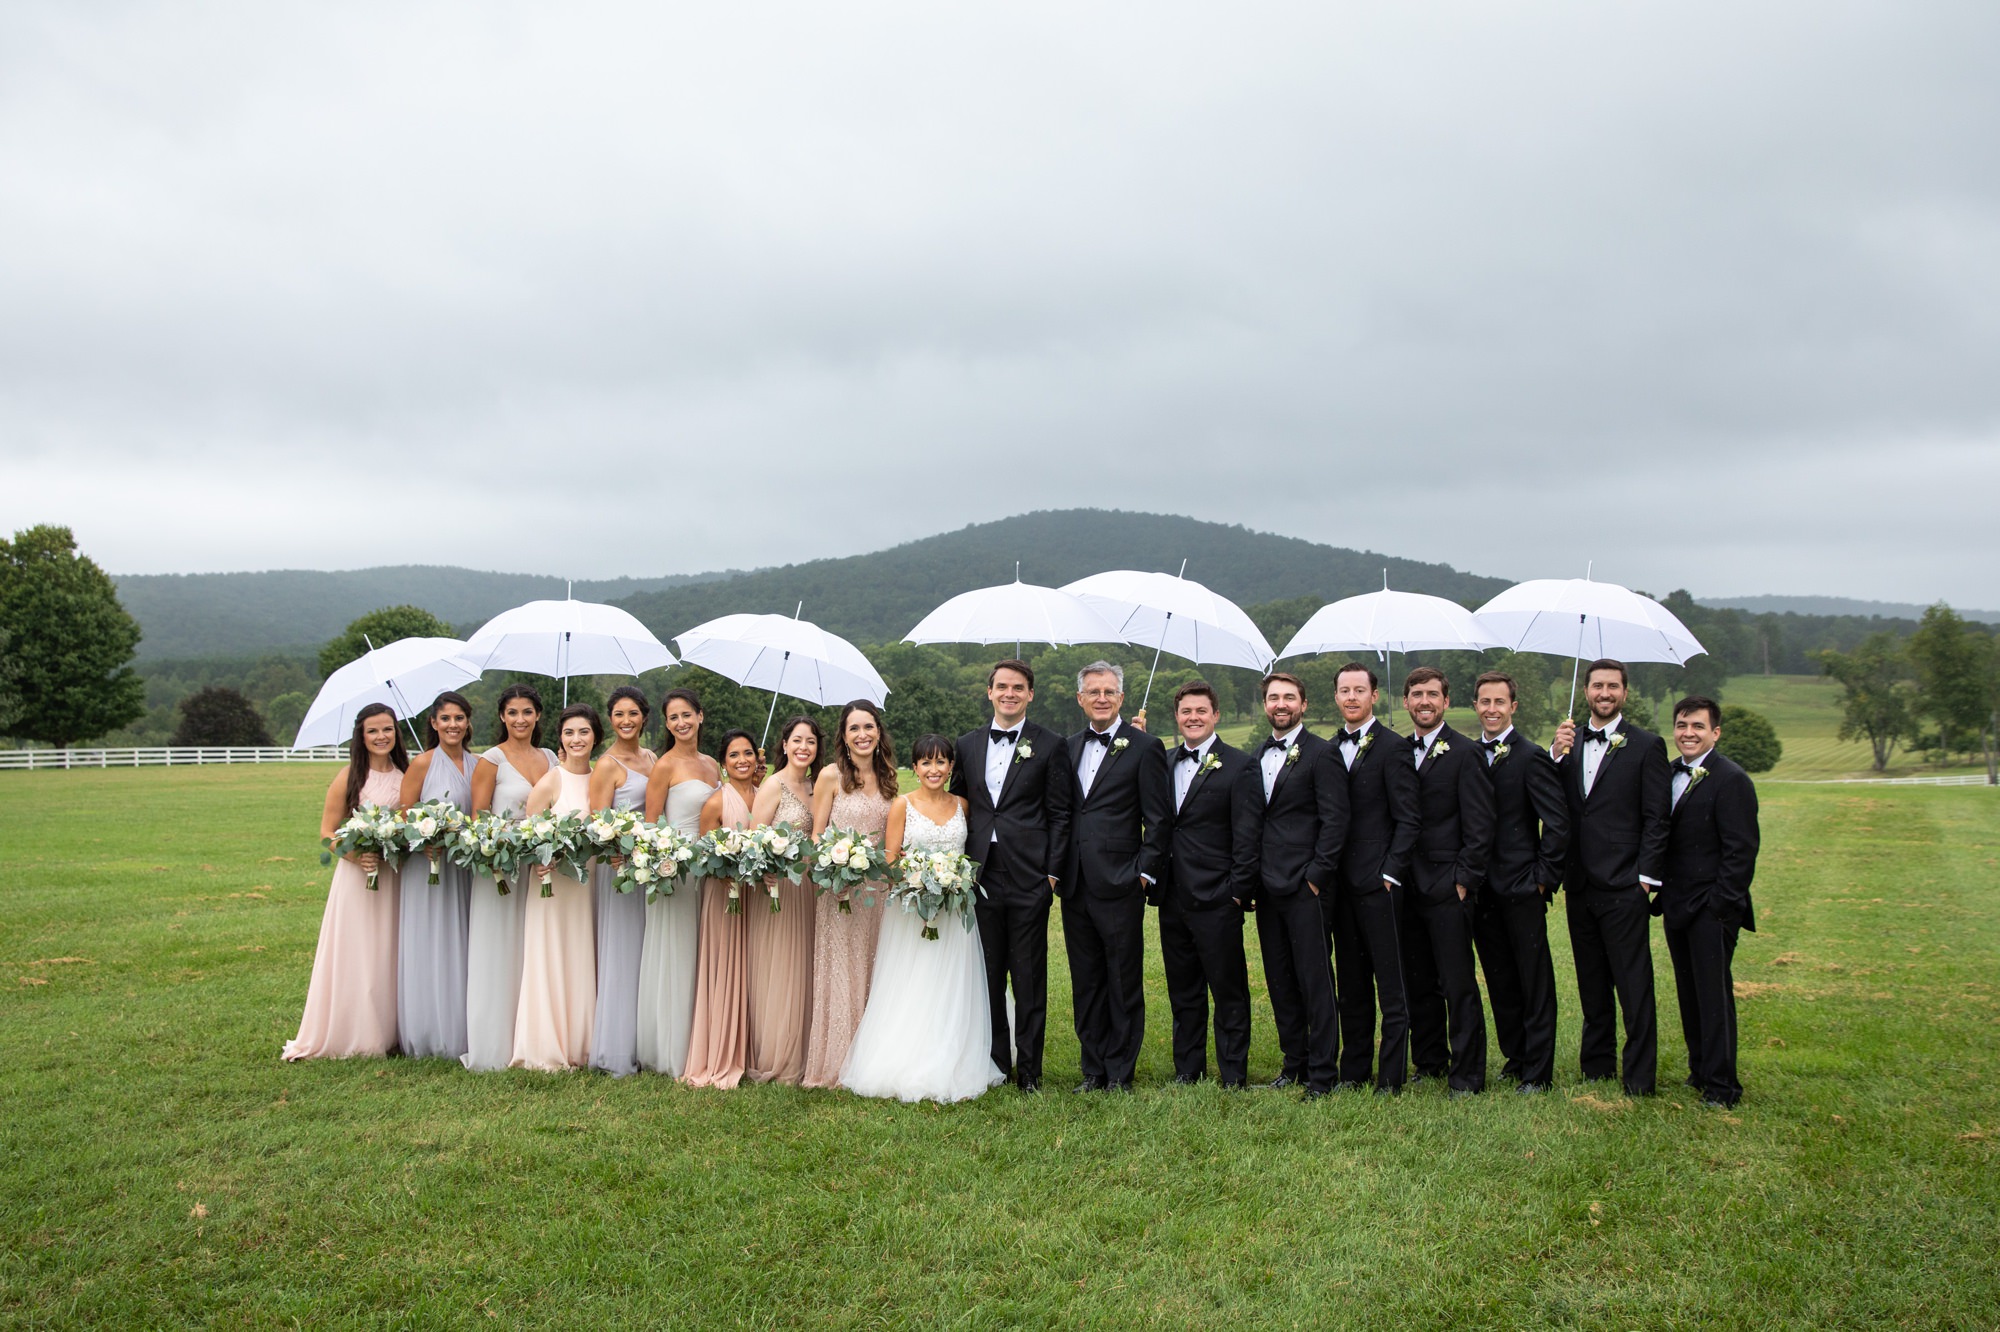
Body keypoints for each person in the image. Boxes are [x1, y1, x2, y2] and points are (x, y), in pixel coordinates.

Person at [840, 735, 1007, 1103]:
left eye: (941, 762)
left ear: (951, 768)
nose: (934, 770)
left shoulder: (963, 805)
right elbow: (891, 858)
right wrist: (919, 881)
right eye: (926, 763)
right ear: (914, 768)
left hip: (954, 912)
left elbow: (972, 853)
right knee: (914, 981)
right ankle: (908, 1056)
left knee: (953, 981)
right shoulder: (902, 805)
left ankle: (955, 1052)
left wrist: (952, 882)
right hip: (912, 912)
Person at [1551, 658, 1672, 1096]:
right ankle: (1596, 1066)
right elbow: (1557, 803)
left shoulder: (1647, 745)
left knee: (1633, 984)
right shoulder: (1569, 739)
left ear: (1624, 692)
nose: (1605, 693)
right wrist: (1555, 755)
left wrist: (1646, 879)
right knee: (1591, 980)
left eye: (1613, 687)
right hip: (1579, 882)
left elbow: (1657, 818)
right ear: (1585, 691)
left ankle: (1638, 1077)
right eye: (1597, 685)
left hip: (1625, 884)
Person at [950, 659, 1072, 1093]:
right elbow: (957, 806)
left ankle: (1031, 1072)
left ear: (1030, 695)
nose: (1009, 693)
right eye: (1002, 686)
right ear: (989, 692)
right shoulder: (966, 744)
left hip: (1030, 876)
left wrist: (1052, 875)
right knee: (987, 975)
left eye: (1018, 687)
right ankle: (997, 1064)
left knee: (1029, 977)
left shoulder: (1051, 744)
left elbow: (1060, 812)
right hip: (980, 874)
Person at [1060, 661, 1171, 1092]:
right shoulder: (1067, 748)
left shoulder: (1144, 747)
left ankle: (1120, 1071)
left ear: (1122, 698)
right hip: (1075, 884)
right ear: (1080, 699)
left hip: (1122, 882)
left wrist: (1142, 875)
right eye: (1093, 691)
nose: (1101, 698)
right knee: (1086, 980)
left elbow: (1159, 821)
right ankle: (1093, 1069)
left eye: (1109, 692)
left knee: (1123, 979)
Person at [284, 703, 407, 1060]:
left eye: (387, 729)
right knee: (359, 951)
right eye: (373, 731)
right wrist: (356, 854)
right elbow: (327, 834)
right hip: (357, 879)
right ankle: (354, 1032)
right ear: (361, 736)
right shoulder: (350, 775)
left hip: (394, 876)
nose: (381, 736)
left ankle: (390, 1031)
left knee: (389, 950)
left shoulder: (406, 774)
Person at [1156, 680, 1260, 1088]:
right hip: (1172, 895)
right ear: (1177, 718)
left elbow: (1248, 835)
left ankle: (1233, 1073)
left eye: (1201, 711)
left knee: (1228, 989)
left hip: (1219, 895)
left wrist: (1237, 890)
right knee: (1183, 989)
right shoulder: (1162, 761)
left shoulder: (1239, 764)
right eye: (1186, 712)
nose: (1193, 718)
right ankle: (1188, 1069)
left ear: (1215, 715)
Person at [1248, 671, 1347, 1097]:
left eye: (1289, 697)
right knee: (1280, 979)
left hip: (1307, 887)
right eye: (1273, 698)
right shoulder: (1256, 756)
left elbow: (1336, 820)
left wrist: (1316, 877)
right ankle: (1295, 1064)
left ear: (1303, 705)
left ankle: (1323, 1074)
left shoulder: (1322, 754)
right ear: (1265, 705)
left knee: (1315, 980)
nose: (1281, 704)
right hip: (1267, 888)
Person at [1469, 671, 1568, 1094]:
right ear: (1475, 706)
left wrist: (1542, 880)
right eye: (1484, 701)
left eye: (1499, 702)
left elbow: (1559, 825)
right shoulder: (1469, 754)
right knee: (1500, 979)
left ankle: (1538, 1071)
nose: (1491, 709)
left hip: (1522, 887)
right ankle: (1516, 1055)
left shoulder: (1530, 756)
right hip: (1480, 889)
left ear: (1513, 707)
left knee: (1533, 979)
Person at [1397, 668, 1494, 1096]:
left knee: (1458, 983)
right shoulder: (1398, 751)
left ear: (1446, 702)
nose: (1424, 701)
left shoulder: (1465, 752)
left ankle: (1468, 1074)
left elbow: (1480, 823)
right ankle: (1430, 1060)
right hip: (1405, 884)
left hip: (1448, 883)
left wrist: (1464, 879)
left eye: (1432, 694)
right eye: (1417, 694)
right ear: (1405, 702)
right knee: (1418, 980)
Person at [1660, 696, 1760, 1108]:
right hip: (1676, 903)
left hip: (1712, 907)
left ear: (1715, 733)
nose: (1688, 733)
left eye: (1698, 727)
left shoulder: (1731, 779)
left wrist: (1720, 905)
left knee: (1713, 995)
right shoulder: (1667, 774)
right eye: (1682, 725)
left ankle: (1722, 1086)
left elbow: (1741, 850)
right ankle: (1699, 1070)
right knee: (1688, 991)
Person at [1330, 663, 1419, 1094]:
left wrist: (1390, 873)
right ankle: (1353, 1071)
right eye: (1344, 690)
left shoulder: (1393, 747)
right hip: (1339, 886)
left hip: (1379, 884)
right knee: (1351, 984)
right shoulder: (1329, 748)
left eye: (1359, 690)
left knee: (1391, 985)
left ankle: (1390, 1077)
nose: (1351, 697)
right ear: (1336, 698)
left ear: (1374, 697)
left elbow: (1409, 819)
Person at [802, 701, 895, 1088]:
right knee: (842, 969)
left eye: (869, 727)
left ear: (878, 731)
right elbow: (816, 833)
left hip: (878, 889)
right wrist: (835, 864)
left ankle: (872, 1061)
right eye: (854, 728)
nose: (862, 735)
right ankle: (837, 1061)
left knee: (877, 965)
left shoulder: (889, 775)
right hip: (839, 890)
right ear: (843, 735)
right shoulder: (829, 776)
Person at [463, 684, 553, 1071]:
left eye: (527, 712)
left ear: (538, 716)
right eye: (513, 712)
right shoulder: (492, 760)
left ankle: (533, 1037)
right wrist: (497, 848)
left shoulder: (551, 757)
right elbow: (477, 816)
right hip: (499, 867)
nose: (520, 719)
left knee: (533, 950)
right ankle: (494, 1043)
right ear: (502, 717)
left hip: (541, 868)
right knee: (498, 950)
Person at [510, 704, 601, 1071]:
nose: (576, 739)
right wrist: (539, 857)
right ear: (560, 739)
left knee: (583, 954)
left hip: (589, 885)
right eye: (568, 733)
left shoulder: (601, 779)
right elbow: (528, 835)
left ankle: (584, 1041)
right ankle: (546, 1043)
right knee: (551, 955)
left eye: (583, 732)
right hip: (552, 886)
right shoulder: (551, 780)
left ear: (595, 735)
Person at [637, 688, 718, 1077]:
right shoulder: (665, 766)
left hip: (711, 869)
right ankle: (671, 1044)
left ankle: (704, 1036)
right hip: (676, 868)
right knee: (676, 949)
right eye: (673, 718)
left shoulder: (712, 765)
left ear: (700, 716)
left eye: (687, 714)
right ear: (667, 724)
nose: (681, 723)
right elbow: (651, 825)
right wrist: (666, 861)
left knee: (704, 949)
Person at [394, 690, 476, 1061]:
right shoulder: (422, 764)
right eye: (445, 719)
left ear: (468, 722)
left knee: (464, 944)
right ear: (433, 723)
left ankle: (465, 1025)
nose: (453, 725)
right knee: (433, 942)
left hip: (466, 868)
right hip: (428, 866)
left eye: (459, 718)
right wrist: (422, 838)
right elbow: (402, 816)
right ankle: (429, 1031)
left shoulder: (478, 764)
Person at [744, 715, 822, 1084]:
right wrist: (767, 871)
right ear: (785, 745)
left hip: (809, 887)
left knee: (804, 964)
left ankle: (805, 1049)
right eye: (797, 740)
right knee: (780, 966)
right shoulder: (773, 785)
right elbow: (752, 839)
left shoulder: (814, 785)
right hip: (777, 888)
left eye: (811, 741)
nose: (804, 747)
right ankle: (777, 1053)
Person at [682, 729, 760, 1088]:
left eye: (748, 753)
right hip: (724, 895)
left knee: (752, 969)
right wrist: (727, 867)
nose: (742, 760)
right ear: (724, 762)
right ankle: (719, 1052)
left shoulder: (764, 798)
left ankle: (752, 1049)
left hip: (756, 897)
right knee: (726, 965)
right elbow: (702, 855)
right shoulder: (716, 802)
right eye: (734, 755)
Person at [586, 686, 656, 1077]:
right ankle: (617, 1047)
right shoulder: (607, 765)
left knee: (648, 953)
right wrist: (620, 849)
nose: (626, 720)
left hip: (654, 868)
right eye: (618, 715)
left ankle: (648, 1039)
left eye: (633, 713)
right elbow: (599, 822)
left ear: (644, 717)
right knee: (624, 954)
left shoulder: (651, 758)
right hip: (621, 871)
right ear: (610, 720)